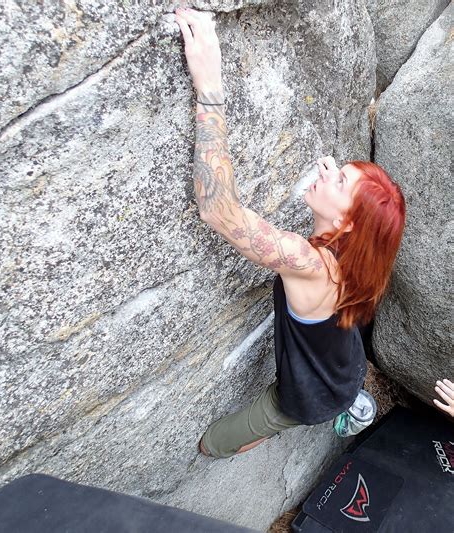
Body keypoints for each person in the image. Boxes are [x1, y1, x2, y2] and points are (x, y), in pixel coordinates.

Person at [173, 7, 406, 458]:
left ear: (349, 222)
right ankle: (351, 402)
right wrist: (335, 188)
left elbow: (219, 211)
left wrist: (209, 87)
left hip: (303, 398)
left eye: (340, 180)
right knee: (342, 385)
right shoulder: (361, 257)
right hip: (347, 368)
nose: (328, 170)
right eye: (341, 169)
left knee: (213, 444)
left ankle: (300, 420)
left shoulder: (308, 263)